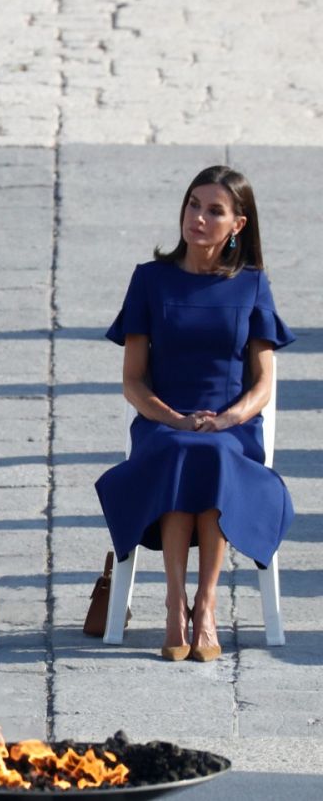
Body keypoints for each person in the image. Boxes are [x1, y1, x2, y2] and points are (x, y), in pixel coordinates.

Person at [95, 166, 293, 664]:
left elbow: (263, 381)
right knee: (183, 450)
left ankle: (204, 607)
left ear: (237, 225)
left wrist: (228, 419)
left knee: (212, 454)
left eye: (214, 211)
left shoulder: (252, 285)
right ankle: (172, 603)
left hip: (232, 428)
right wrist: (174, 418)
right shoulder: (150, 279)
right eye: (193, 205)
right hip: (165, 423)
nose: (198, 218)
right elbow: (133, 380)